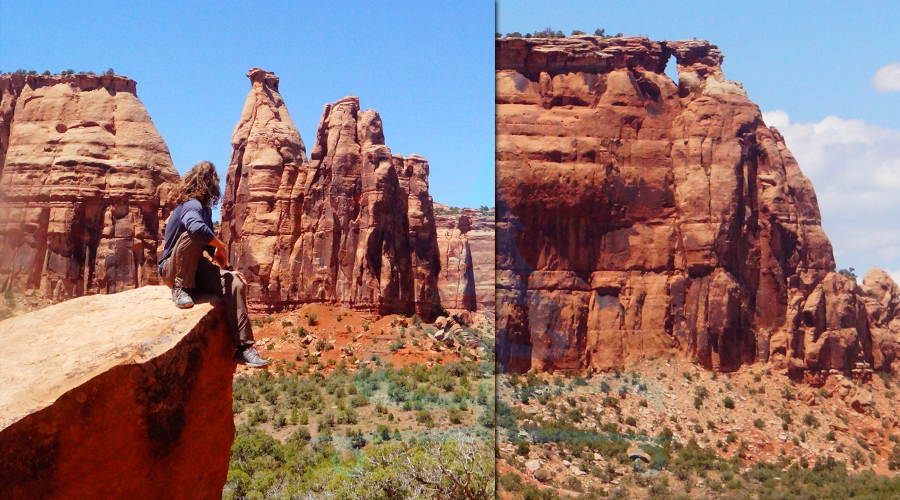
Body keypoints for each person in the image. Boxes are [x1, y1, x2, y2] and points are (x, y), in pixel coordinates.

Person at [157, 161, 268, 368]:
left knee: (233, 282)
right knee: (191, 236)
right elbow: (197, 231)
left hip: (194, 269)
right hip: (171, 270)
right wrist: (221, 245)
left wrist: (226, 268)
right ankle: (179, 288)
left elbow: (208, 246)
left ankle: (244, 348)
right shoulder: (191, 205)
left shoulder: (204, 211)